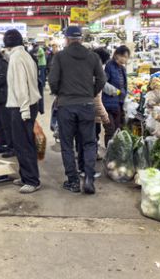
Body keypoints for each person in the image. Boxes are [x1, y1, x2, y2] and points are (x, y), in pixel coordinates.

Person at [49, 26, 107, 195]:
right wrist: (91, 93)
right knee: (89, 143)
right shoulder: (93, 56)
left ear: (66, 39)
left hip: (66, 106)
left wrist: (60, 93)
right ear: (81, 39)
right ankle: (88, 178)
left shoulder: (60, 56)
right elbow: (102, 79)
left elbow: (53, 80)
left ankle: (73, 182)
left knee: (67, 145)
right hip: (87, 105)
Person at [3, 29, 42, 194]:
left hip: (21, 107)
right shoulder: (25, 55)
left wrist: (24, 111)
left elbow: (21, 87)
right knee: (26, 143)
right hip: (29, 104)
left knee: (23, 144)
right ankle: (26, 177)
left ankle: (32, 180)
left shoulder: (16, 58)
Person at [76, 47, 111, 178]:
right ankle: (87, 171)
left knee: (80, 141)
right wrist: (104, 116)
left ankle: (81, 168)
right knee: (89, 143)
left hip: (75, 110)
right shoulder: (95, 72)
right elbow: (96, 100)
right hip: (89, 114)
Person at [102, 45, 130, 146]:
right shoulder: (109, 66)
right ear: (116, 55)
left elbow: (124, 86)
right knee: (110, 130)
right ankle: (109, 155)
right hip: (108, 104)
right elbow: (103, 83)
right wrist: (116, 91)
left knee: (118, 130)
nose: (124, 59)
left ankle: (115, 154)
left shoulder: (122, 68)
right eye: (123, 56)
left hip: (118, 104)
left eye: (126, 57)